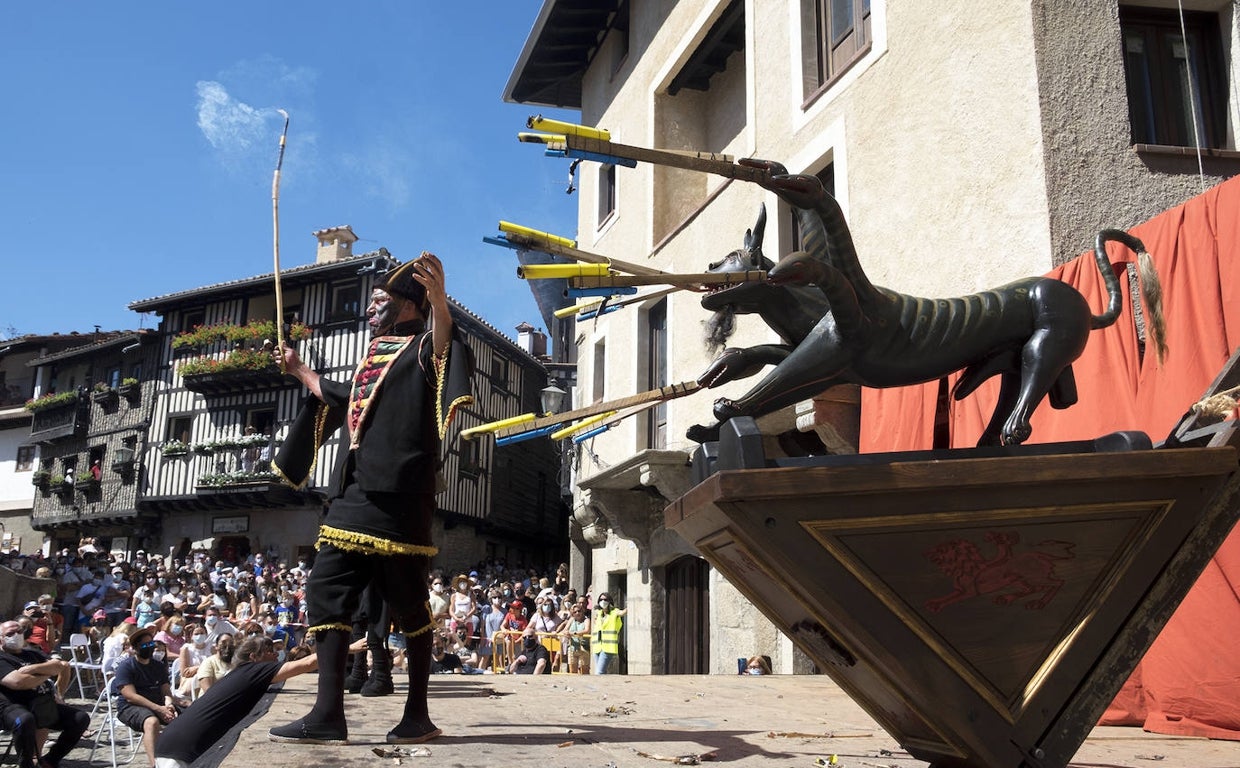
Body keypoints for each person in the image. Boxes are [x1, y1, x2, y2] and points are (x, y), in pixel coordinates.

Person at [269, 252, 473, 745]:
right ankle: (326, 714)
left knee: (409, 605)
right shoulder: (372, 358)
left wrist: (440, 301)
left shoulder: (424, 347)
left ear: (407, 305)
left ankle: (417, 716)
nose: (369, 309)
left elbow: (445, 344)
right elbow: (337, 397)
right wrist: (300, 371)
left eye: (379, 300)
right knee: (325, 593)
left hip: (400, 495)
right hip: (355, 492)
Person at [154, 636, 318, 768]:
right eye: (270, 651)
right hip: (180, 751)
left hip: (174, 744)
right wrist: (341, 646)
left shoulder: (242, 672)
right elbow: (308, 663)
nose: (276, 655)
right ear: (254, 657)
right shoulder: (254, 670)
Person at [0, 620, 89, 768]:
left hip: (42, 704)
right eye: (10, 634)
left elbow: (59, 665)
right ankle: (26, 763)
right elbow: (17, 682)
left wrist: (31, 669)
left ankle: (50, 760)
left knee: (80, 718)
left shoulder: (32, 653)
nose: (16, 635)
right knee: (25, 720)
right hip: (11, 706)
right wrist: (46, 673)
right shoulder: (2, 658)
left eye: (19, 631)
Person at [112, 625, 188, 768]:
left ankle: (183, 756)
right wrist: (159, 709)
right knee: (151, 722)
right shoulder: (126, 667)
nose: (150, 647)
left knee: (188, 716)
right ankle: (155, 764)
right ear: (135, 648)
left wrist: (169, 705)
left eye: (151, 643)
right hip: (131, 707)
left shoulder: (158, 666)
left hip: (158, 704)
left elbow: (166, 691)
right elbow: (130, 696)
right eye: (145, 645)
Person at [593, 593, 627, 675]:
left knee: (599, 672)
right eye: (601, 600)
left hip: (608, 647)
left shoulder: (614, 612)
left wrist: (630, 606)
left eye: (605, 599)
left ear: (609, 601)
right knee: (601, 671)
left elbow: (622, 613)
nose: (603, 601)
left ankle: (599, 686)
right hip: (597, 646)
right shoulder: (599, 613)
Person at [558, 602, 591, 675]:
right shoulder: (571, 620)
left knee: (584, 670)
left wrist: (574, 633)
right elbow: (565, 629)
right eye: (575, 612)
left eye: (579, 611)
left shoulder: (586, 620)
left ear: (582, 611)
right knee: (572, 670)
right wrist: (566, 633)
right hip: (572, 647)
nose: (577, 613)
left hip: (583, 647)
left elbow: (587, 630)